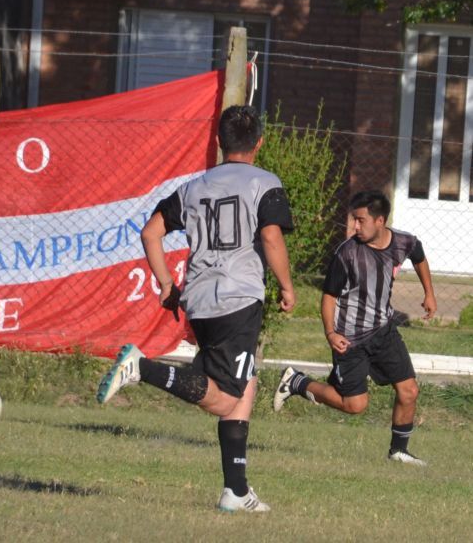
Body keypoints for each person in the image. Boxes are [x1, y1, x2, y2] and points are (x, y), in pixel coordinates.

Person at [97, 104, 296, 513]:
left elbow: (150, 232)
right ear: (259, 143)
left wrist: (168, 284)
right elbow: (272, 237)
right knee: (225, 399)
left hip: (200, 301)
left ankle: (236, 492)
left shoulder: (191, 188)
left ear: (219, 143)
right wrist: (288, 286)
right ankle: (141, 367)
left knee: (245, 385)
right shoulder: (265, 182)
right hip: (238, 300)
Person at [274, 190, 436, 466]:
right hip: (349, 339)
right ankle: (296, 382)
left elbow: (418, 256)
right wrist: (330, 333)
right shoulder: (346, 253)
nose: (355, 227)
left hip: (384, 332)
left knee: (409, 391)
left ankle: (398, 451)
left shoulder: (402, 242)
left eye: (360, 220)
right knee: (355, 405)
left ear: (380, 220)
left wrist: (429, 293)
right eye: (353, 220)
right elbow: (328, 298)